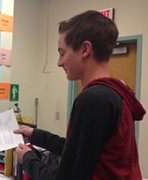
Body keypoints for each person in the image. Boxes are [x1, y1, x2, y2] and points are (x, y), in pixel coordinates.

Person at [14, 10, 146, 180]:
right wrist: (35, 134)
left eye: (62, 53)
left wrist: (28, 160)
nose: (59, 62)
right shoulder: (114, 93)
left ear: (85, 49)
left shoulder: (93, 100)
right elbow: (77, 150)